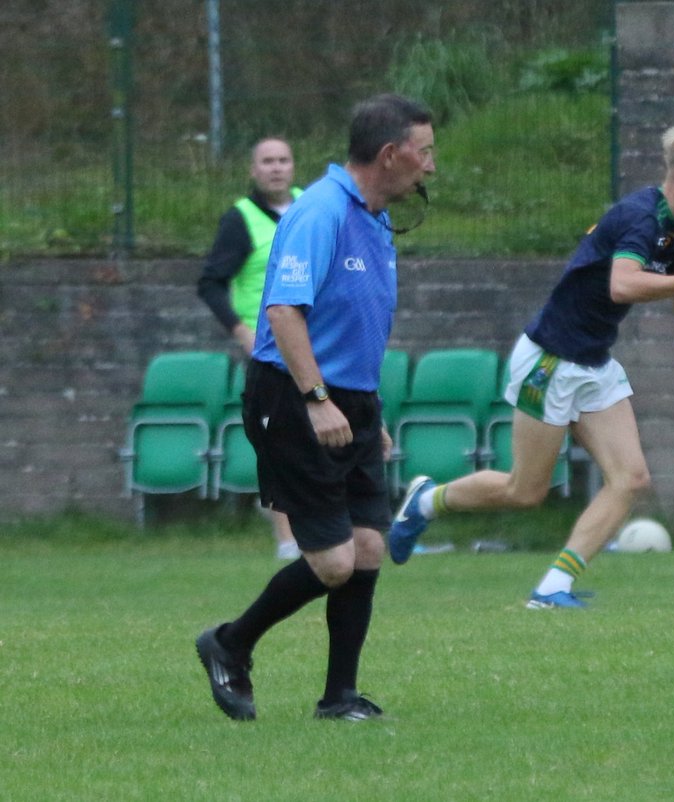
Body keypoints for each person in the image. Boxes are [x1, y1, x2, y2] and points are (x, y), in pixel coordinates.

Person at [387, 123, 674, 609]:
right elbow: (623, 284)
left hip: (594, 362)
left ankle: (552, 588)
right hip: (551, 360)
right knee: (525, 490)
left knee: (631, 479)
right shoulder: (640, 217)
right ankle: (426, 502)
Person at [195, 94, 436, 720]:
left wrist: (369, 412)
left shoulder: (376, 216)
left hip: (351, 399)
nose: (431, 165)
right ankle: (230, 643)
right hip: (295, 395)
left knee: (369, 548)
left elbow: (357, 322)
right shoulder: (320, 211)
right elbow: (282, 312)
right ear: (391, 154)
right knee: (333, 563)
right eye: (425, 151)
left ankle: (339, 698)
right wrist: (319, 400)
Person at [197, 137, 303, 560]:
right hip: (269, 349)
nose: (276, 168)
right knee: (279, 438)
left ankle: (332, 528)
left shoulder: (309, 207)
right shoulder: (240, 219)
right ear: (253, 170)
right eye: (267, 161)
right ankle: (287, 539)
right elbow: (210, 283)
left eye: (283, 160)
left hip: (313, 341)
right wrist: (241, 330)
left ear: (293, 167)